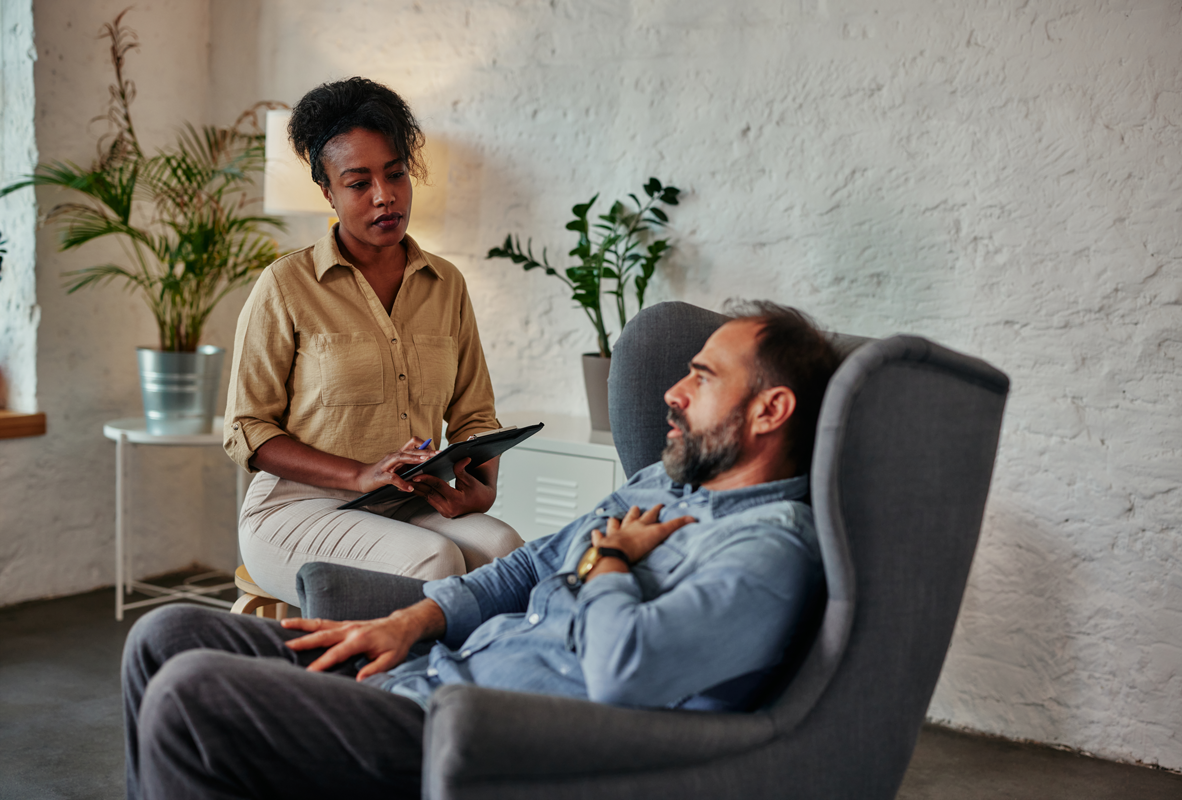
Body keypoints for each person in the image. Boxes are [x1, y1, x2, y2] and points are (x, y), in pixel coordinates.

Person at [125, 301, 840, 800]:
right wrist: (411, 622)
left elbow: (626, 671)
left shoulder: (769, 553)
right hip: (433, 670)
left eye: (703, 377)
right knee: (166, 634)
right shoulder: (661, 482)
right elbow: (532, 562)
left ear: (770, 410)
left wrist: (609, 563)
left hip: (482, 740)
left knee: (193, 699)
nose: (673, 393)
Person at [224, 78, 522, 607]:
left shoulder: (446, 283)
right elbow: (247, 430)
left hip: (406, 503)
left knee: (505, 550)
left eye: (395, 174)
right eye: (358, 183)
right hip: (294, 510)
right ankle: (396, 689)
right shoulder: (286, 285)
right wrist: (359, 474)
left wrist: (481, 485)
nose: (384, 195)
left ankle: (477, 686)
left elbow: (475, 415)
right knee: (434, 562)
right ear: (328, 193)